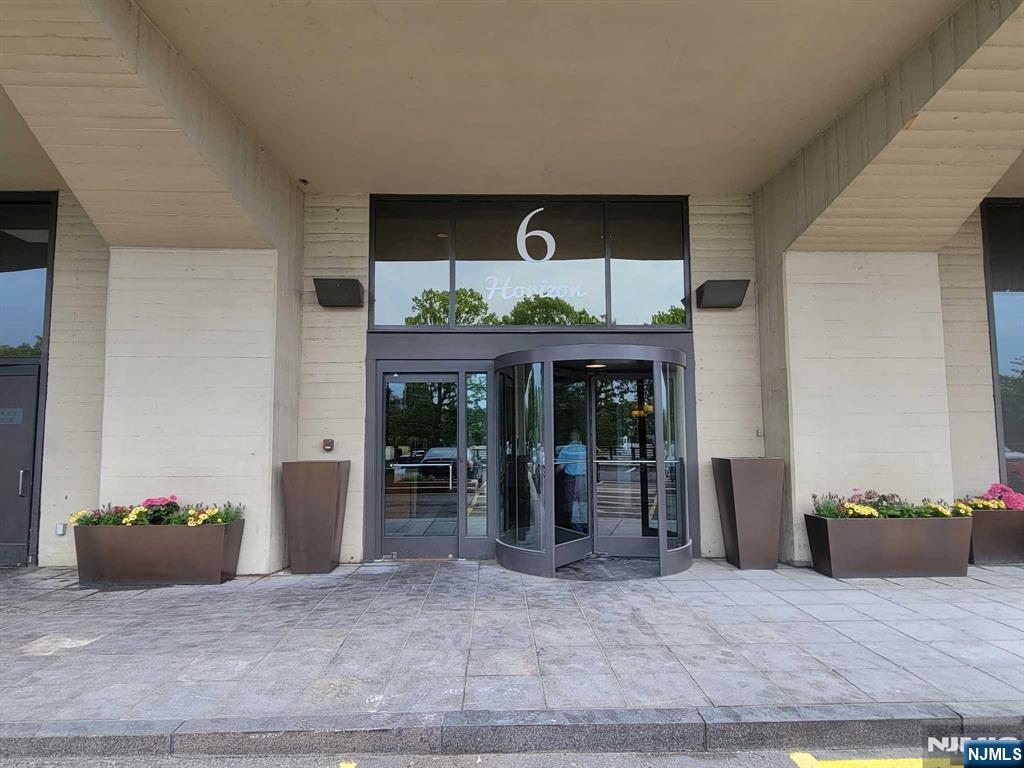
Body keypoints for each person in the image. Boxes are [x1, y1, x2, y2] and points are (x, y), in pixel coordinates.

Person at [557, 429, 588, 531]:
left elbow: (561, 466)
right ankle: (586, 525)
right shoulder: (585, 449)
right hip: (583, 478)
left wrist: (552, 474)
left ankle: (577, 528)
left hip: (571, 479)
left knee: (573, 503)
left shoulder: (566, 449)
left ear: (570, 437)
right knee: (583, 502)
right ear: (579, 437)